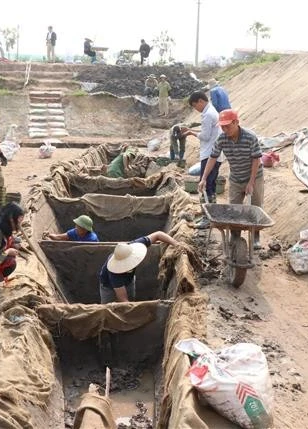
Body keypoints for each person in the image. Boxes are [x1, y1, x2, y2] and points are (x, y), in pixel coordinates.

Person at [198, 109, 264, 250]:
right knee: (234, 210)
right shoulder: (222, 139)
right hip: (235, 178)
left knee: (255, 208)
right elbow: (212, 157)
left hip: (254, 176)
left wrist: (251, 182)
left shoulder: (250, 137)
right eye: (222, 126)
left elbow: (256, 159)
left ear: (236, 122)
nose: (224, 129)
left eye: (227, 126)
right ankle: (235, 235)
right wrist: (203, 178)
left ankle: (256, 236)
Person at [98, 231, 179, 303]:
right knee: (108, 311)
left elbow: (158, 234)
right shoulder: (114, 273)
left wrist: (176, 244)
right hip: (108, 287)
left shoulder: (132, 247)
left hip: (129, 280)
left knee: (131, 302)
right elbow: (123, 300)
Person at [182, 91, 224, 227]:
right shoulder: (213, 111)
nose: (196, 109)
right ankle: (213, 215)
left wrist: (191, 133)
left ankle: (208, 218)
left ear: (200, 101)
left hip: (209, 154)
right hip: (215, 154)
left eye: (195, 106)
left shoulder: (207, 115)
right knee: (210, 185)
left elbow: (205, 136)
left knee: (205, 185)